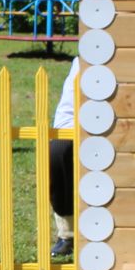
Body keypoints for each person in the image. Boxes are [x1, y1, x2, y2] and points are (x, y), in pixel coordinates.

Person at [50, 56, 80, 257]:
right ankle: (67, 233)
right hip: (80, 126)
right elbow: (67, 110)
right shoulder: (82, 60)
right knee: (58, 150)